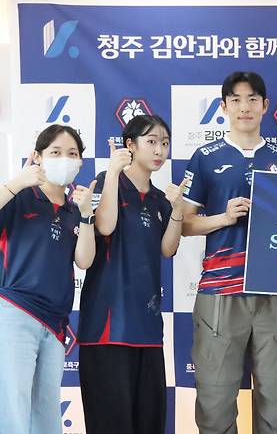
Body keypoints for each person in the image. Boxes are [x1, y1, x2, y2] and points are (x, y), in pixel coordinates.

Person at [181, 71, 277, 434]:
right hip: (220, 292)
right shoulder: (205, 157)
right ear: (223, 107)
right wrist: (223, 217)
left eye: (252, 99)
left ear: (265, 106)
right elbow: (184, 224)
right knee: (215, 402)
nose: (244, 107)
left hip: (274, 293)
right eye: (235, 100)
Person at [77, 115, 186, 434]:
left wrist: (177, 210)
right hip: (107, 328)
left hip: (148, 330)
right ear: (130, 145)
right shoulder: (106, 180)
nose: (160, 150)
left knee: (149, 422)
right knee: (112, 424)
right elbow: (105, 226)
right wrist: (112, 172)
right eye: (151, 142)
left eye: (165, 143)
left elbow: (168, 248)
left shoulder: (158, 199)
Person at [0, 124, 95, 434]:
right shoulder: (19, 196)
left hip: (55, 322)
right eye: (55, 152)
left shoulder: (74, 209)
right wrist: (16, 183)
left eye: (72, 153)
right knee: (13, 406)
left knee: (46, 411)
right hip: (16, 312)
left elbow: (84, 260)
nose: (64, 159)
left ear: (80, 162)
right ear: (37, 157)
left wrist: (86, 215)